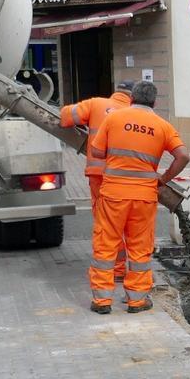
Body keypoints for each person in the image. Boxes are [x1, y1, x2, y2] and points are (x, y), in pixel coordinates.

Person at [87, 80, 190, 314]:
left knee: (105, 245)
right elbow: (183, 156)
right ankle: (136, 300)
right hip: (144, 196)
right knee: (139, 248)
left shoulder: (113, 118)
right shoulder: (162, 125)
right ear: (154, 102)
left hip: (113, 194)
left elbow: (95, 151)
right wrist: (163, 178)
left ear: (131, 98)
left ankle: (102, 301)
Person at [60, 82, 133, 280]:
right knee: (127, 224)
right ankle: (120, 270)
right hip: (125, 178)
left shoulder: (96, 104)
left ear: (115, 93)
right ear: (131, 97)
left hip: (98, 175)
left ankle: (107, 270)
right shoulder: (136, 114)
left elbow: (66, 117)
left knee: (105, 223)